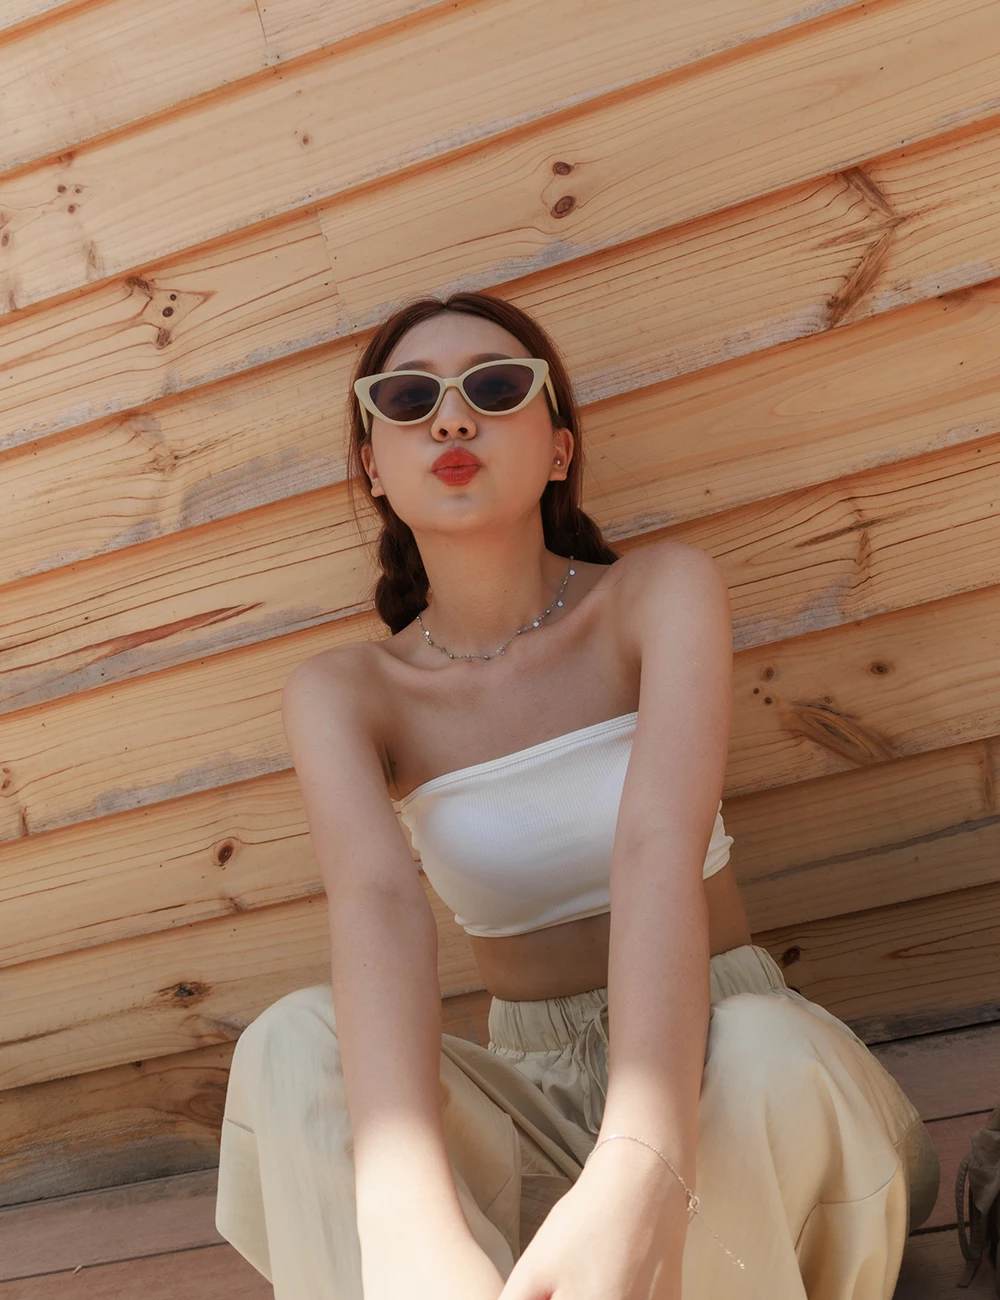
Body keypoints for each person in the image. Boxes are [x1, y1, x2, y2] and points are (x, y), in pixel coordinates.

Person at [213, 292, 940, 1300]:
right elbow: (376, 907)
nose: (451, 419)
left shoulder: (656, 594)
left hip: (727, 1067)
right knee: (290, 1043)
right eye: (410, 398)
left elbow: (655, 848)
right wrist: (406, 1217)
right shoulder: (345, 692)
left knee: (768, 1051)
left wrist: (642, 1161)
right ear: (373, 464)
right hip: (533, 1098)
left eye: (494, 388)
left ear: (559, 449)